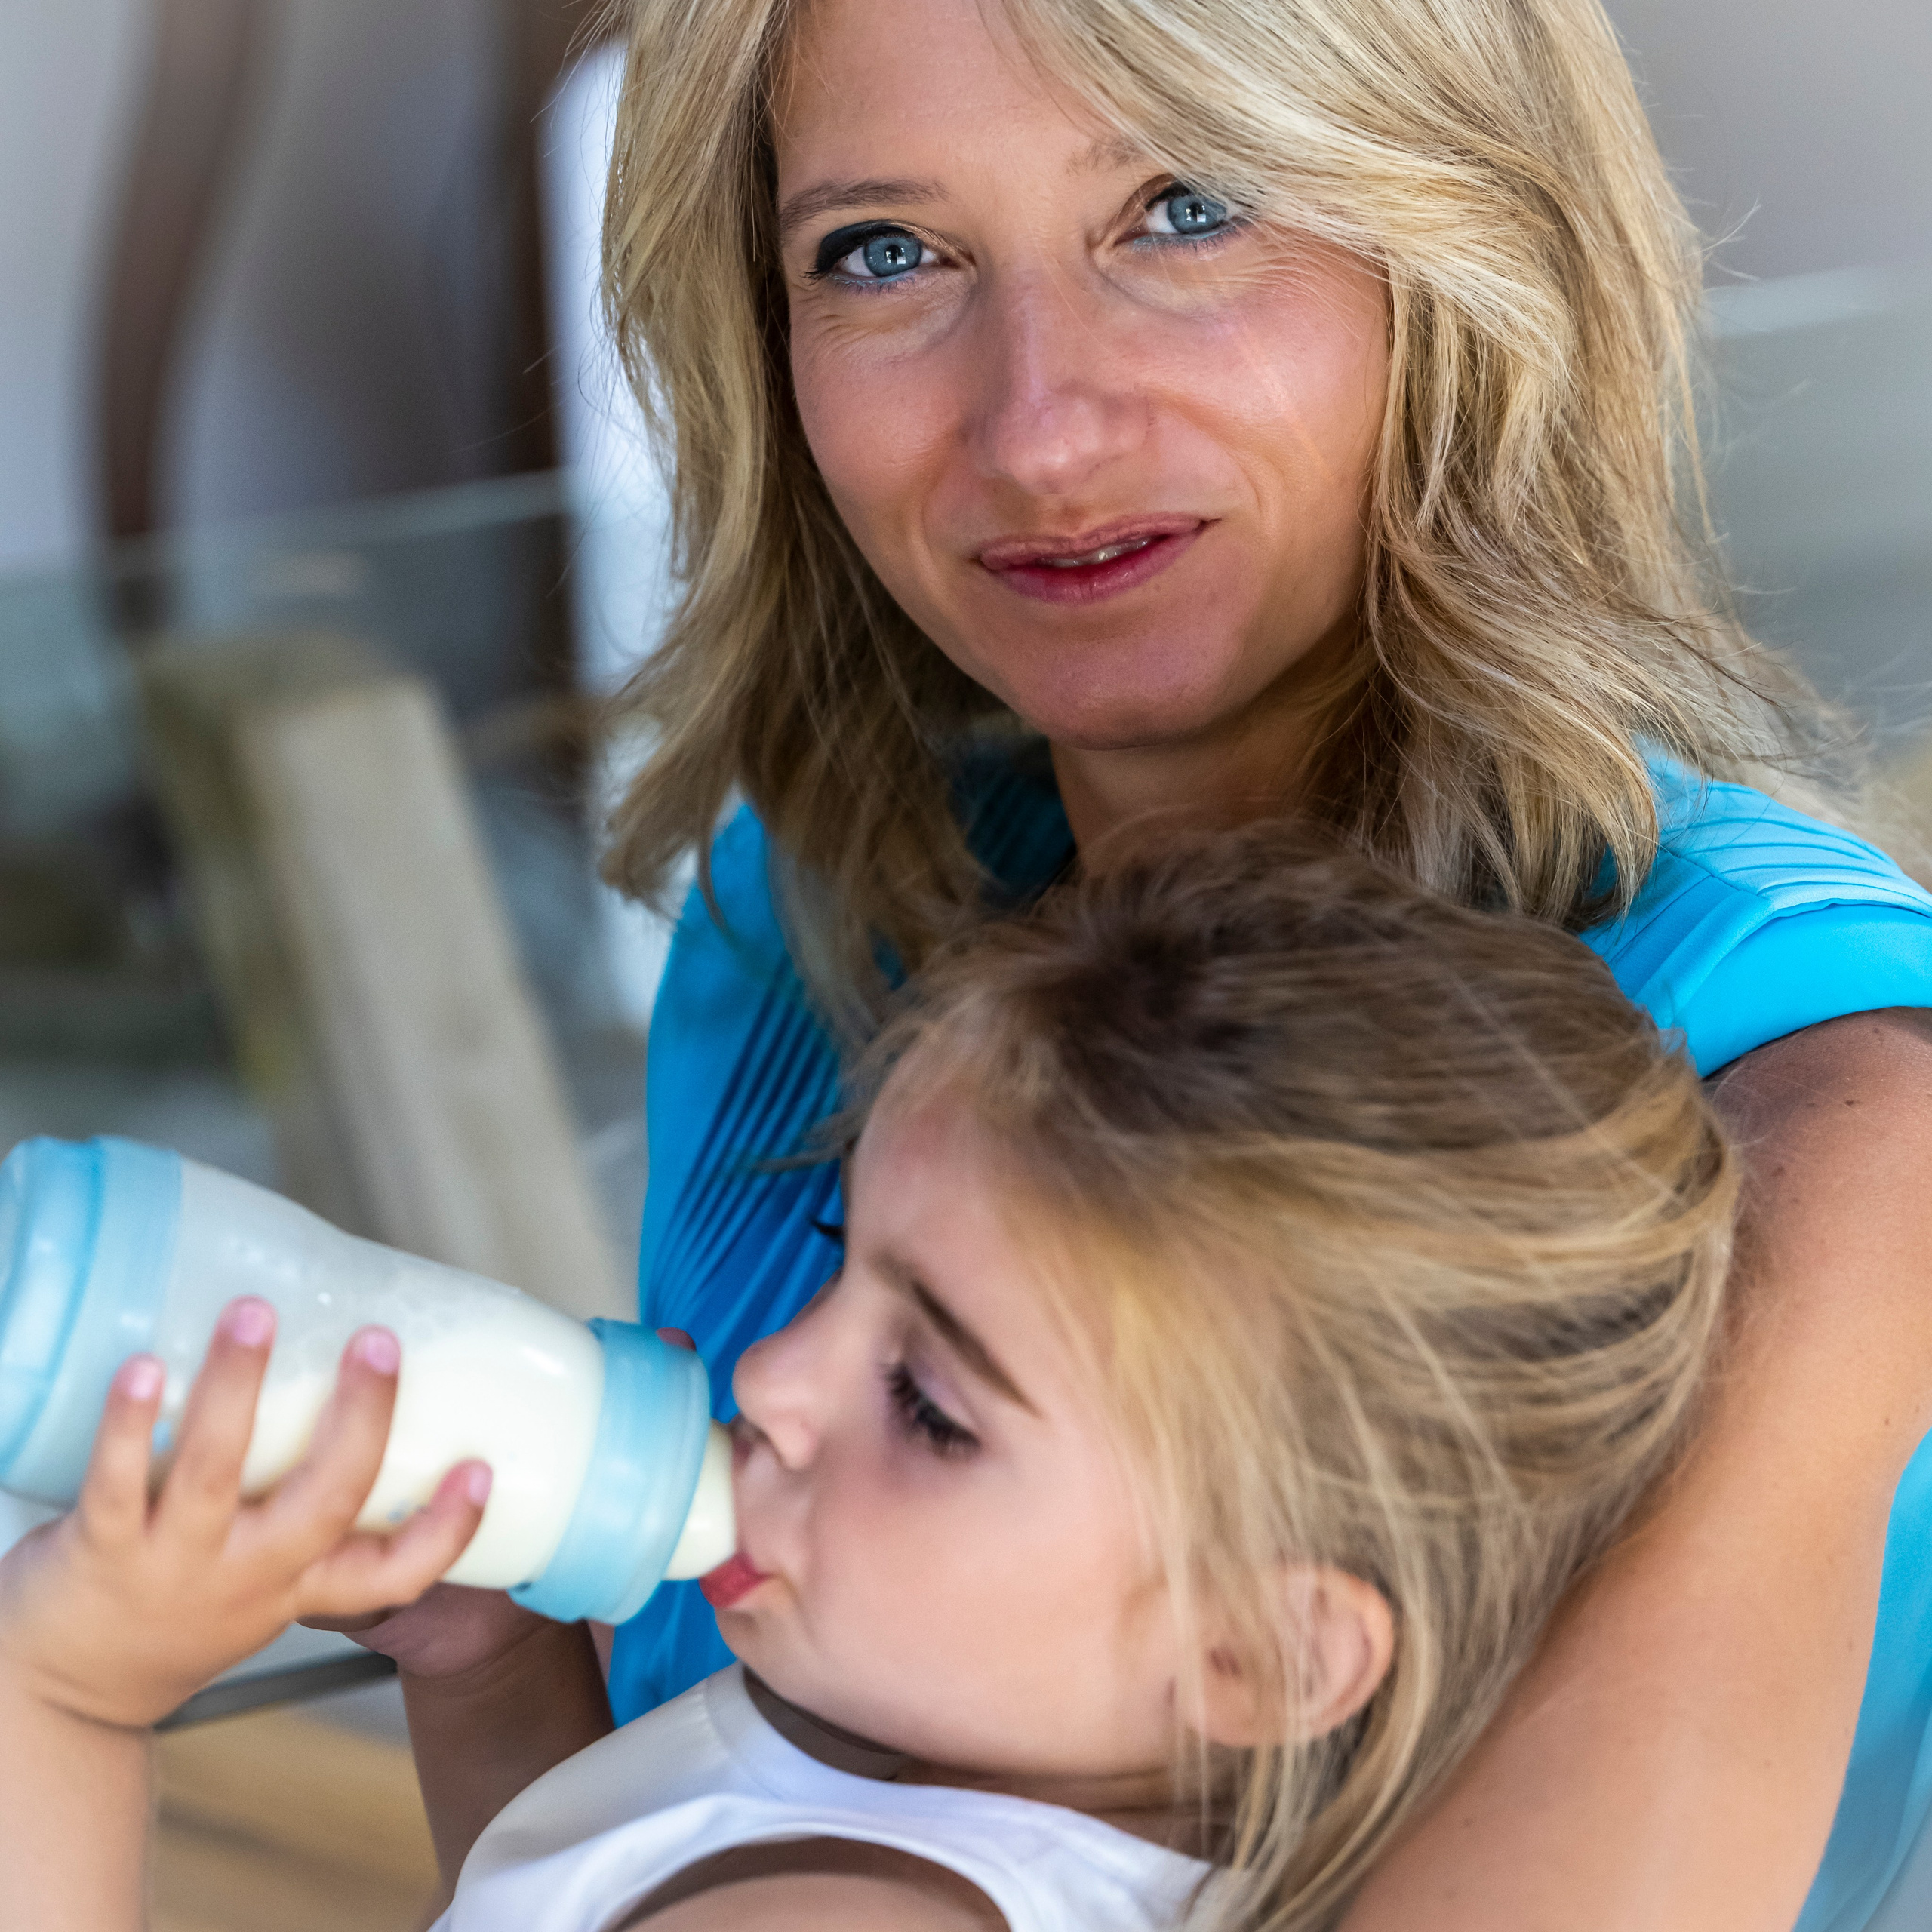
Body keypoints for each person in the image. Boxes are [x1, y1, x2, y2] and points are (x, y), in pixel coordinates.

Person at [329, 0, 1932, 1925]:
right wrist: (490, 1668)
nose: (1039, 428)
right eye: (883, 250)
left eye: (1187, 209)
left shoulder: (1830, 1098)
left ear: (1468, 231)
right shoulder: (816, 905)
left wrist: (60, 1711)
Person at [0, 832, 1737, 1931]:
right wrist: (493, 1666)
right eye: (844, 1261)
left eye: (927, 1402)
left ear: (1251, 1652)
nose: (767, 1369)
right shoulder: (930, 1777)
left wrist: (63, 1695)